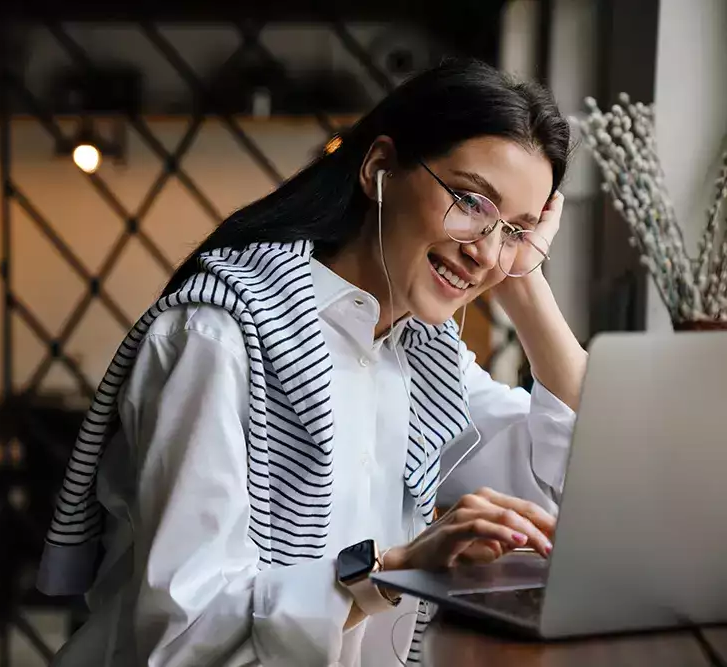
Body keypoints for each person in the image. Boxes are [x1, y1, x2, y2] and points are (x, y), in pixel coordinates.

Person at [37, 58, 587, 667]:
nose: (485, 253)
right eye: (471, 201)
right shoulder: (217, 338)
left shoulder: (422, 358)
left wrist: (525, 278)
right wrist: (389, 571)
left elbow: (576, 482)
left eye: (515, 228)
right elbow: (180, 636)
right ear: (380, 168)